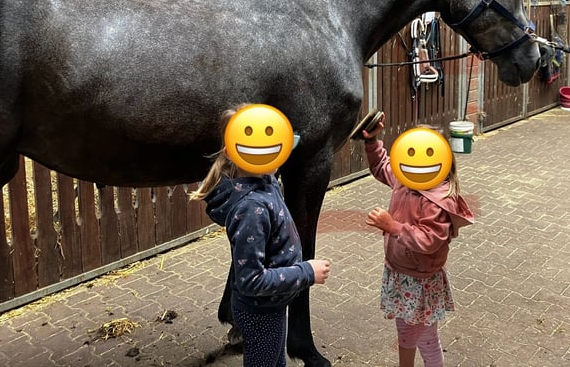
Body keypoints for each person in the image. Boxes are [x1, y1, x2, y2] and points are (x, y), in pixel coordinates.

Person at [190, 105, 331, 367]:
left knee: (275, 361)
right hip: (260, 311)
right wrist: (306, 272)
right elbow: (251, 280)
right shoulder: (250, 210)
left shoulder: (264, 180)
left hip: (271, 305)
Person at [362, 113, 474, 367]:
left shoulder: (437, 198)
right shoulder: (405, 179)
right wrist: (372, 142)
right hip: (402, 273)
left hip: (419, 280)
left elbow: (429, 240)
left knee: (409, 336)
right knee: (425, 337)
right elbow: (382, 167)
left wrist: (393, 226)